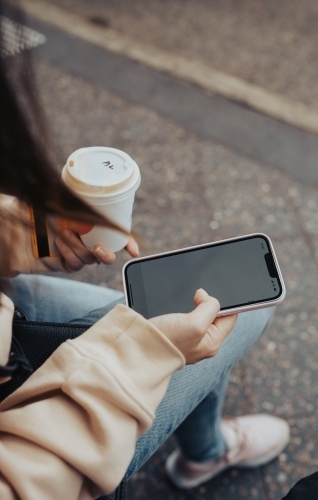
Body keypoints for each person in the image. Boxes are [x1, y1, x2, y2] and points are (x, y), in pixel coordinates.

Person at [0, 4, 289, 499]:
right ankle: (207, 453)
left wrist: (16, 237)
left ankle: (204, 450)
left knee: (200, 309)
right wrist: (142, 356)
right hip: (43, 433)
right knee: (241, 313)